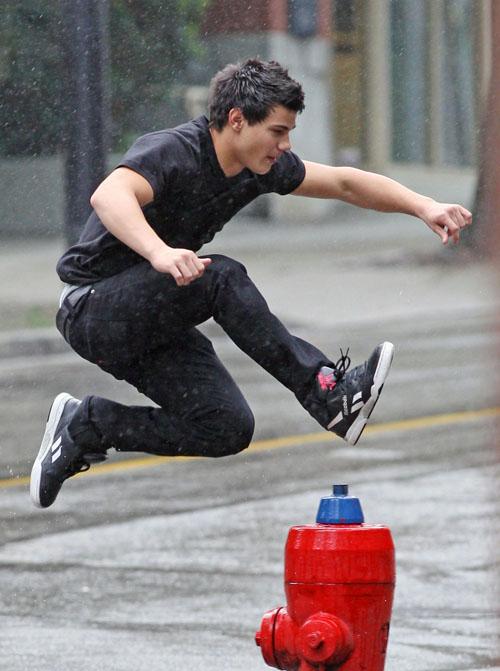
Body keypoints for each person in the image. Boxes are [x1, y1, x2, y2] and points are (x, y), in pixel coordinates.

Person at [30, 58, 472, 508]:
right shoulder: (175, 150)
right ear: (237, 120)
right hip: (91, 308)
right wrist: (159, 252)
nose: (285, 145)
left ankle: (87, 425)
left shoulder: (259, 168)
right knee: (219, 276)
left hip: (152, 321)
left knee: (226, 426)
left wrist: (423, 205)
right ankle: (328, 395)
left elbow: (343, 183)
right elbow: (109, 195)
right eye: (278, 132)